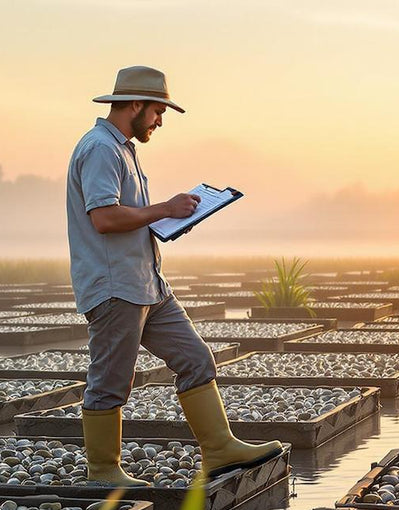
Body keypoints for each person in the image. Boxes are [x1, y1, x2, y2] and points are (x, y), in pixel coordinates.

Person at [65, 65, 283, 486]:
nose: (160, 120)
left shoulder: (123, 148)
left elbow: (125, 217)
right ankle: (104, 471)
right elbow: (105, 218)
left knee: (196, 358)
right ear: (135, 104)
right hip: (116, 288)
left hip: (148, 285)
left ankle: (219, 451)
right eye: (158, 111)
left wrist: (168, 220)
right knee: (110, 381)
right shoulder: (99, 149)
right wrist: (165, 209)